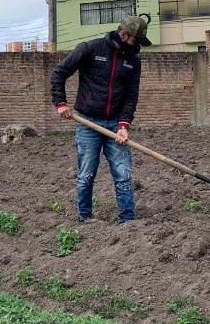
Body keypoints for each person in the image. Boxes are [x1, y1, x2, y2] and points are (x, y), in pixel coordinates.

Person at [50, 16, 152, 225]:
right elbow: (59, 73)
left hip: (115, 124)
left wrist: (124, 125)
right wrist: (61, 103)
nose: (138, 47)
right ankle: (85, 218)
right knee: (86, 174)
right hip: (88, 122)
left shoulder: (133, 61)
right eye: (136, 42)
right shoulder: (90, 49)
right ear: (123, 35)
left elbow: (130, 96)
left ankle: (128, 219)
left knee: (123, 175)